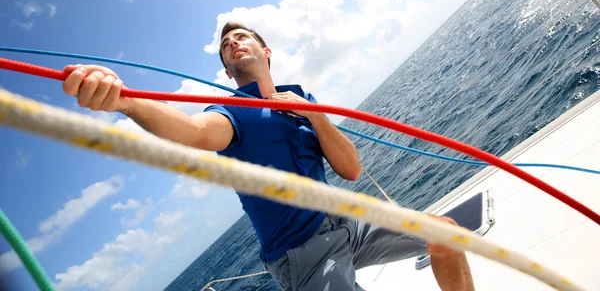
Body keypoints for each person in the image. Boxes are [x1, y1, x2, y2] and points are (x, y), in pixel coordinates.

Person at [62, 22, 475, 291]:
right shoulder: (229, 111)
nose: (232, 44)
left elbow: (350, 169)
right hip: (303, 254)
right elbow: (192, 133)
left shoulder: (301, 99)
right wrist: (127, 102)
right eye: (226, 46)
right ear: (227, 70)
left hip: (350, 221)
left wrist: (314, 115)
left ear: (266, 50)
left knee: (448, 236)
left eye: (240, 38)